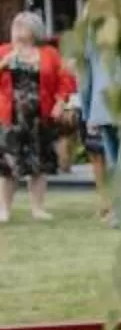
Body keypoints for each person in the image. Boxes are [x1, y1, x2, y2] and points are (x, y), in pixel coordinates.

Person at [0, 13, 74, 223]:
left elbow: (65, 80)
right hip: (11, 118)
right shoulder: (3, 51)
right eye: (15, 27)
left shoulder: (49, 53)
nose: (17, 31)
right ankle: (4, 210)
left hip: (40, 118)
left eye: (22, 27)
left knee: (39, 166)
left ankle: (38, 209)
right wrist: (3, 64)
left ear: (34, 31)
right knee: (8, 167)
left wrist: (60, 102)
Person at [77, 29, 121, 225]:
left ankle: (119, 210)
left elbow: (85, 75)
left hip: (102, 104)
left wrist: (87, 110)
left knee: (115, 161)